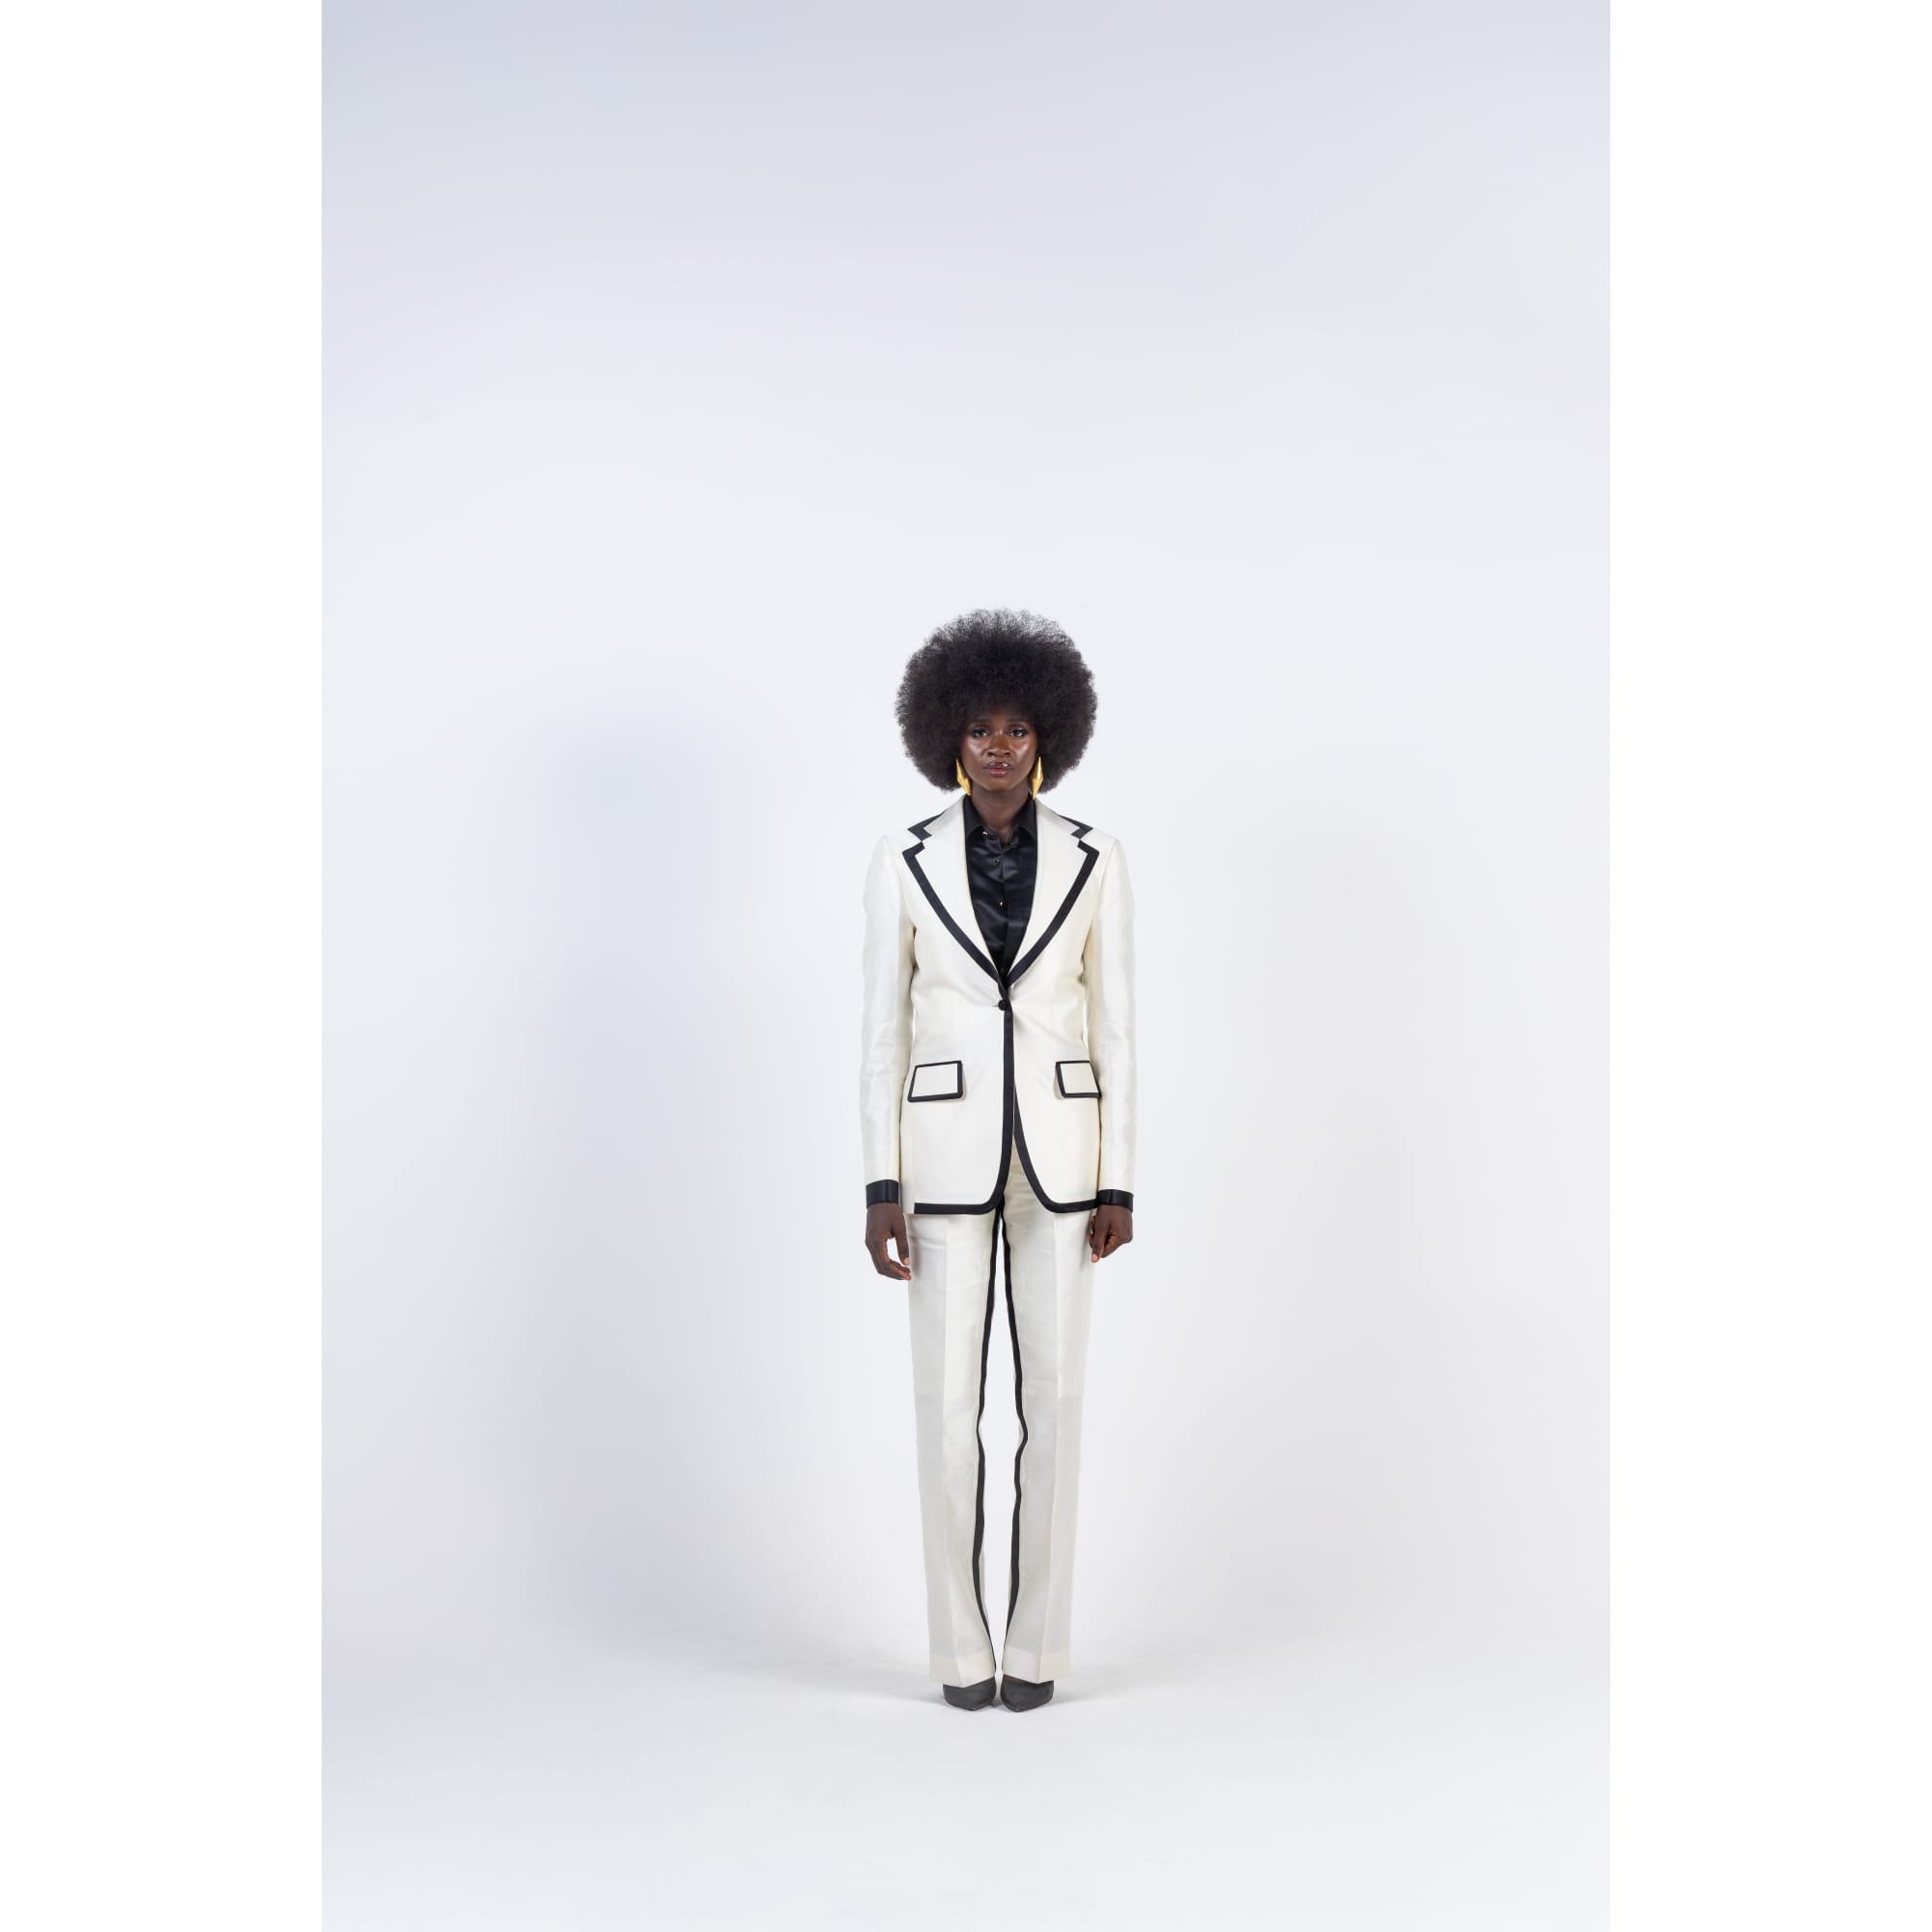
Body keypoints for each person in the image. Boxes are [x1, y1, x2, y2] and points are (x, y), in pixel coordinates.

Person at [859, 608, 1137, 1713]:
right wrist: (879, 1181)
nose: (997, 746)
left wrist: (1119, 1176)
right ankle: (959, 1654)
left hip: (1062, 1164)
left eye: (1016, 728)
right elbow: (880, 1029)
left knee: (1054, 1406)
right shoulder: (901, 857)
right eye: (978, 727)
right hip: (938, 1162)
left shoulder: (1096, 858)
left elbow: (1116, 1025)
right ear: (947, 735)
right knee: (944, 1411)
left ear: (1045, 736)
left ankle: (1035, 1649)